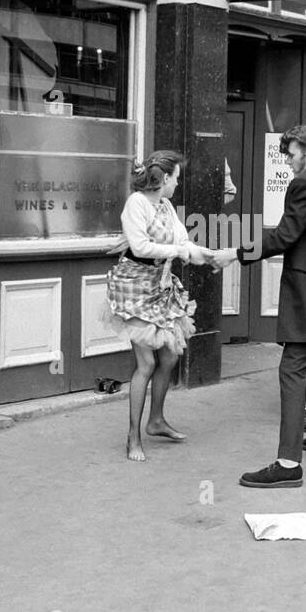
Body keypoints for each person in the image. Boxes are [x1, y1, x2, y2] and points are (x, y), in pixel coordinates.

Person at [211, 125, 306, 489]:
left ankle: (288, 462)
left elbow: (285, 236)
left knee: (292, 367)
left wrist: (234, 253)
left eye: (291, 154)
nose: (289, 162)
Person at [105, 151, 213, 462]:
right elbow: (139, 246)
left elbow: (184, 242)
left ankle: (156, 420)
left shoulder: (165, 206)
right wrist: (179, 251)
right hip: (134, 287)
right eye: (176, 178)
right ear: (164, 179)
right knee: (146, 364)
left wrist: (211, 256)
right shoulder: (136, 203)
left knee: (170, 354)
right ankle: (132, 437)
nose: (178, 183)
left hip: (159, 283)